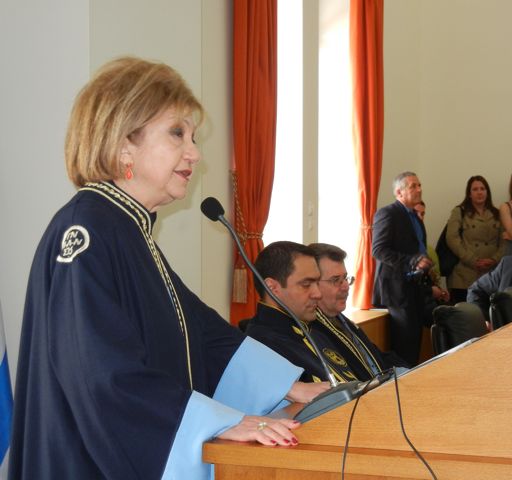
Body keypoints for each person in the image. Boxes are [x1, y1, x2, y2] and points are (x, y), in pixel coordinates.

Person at [8, 57, 328, 480]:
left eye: (192, 137)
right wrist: (219, 422)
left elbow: (199, 331)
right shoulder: (87, 229)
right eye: (178, 133)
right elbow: (99, 373)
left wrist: (288, 387)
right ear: (123, 143)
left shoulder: (128, 228)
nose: (195, 153)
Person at [246, 241, 382, 382]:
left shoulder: (311, 332)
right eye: (306, 285)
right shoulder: (261, 347)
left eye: (316, 283)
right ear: (272, 288)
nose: (317, 294)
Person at [372, 172, 445, 366]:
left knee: (415, 346)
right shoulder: (388, 213)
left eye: (419, 185)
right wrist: (412, 261)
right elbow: (379, 250)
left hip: (416, 288)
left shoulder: (415, 217)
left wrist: (423, 264)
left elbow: (416, 249)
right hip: (397, 291)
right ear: (399, 192)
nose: (419, 189)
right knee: (405, 349)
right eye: (413, 186)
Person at [308, 243, 409, 378]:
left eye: (345, 278)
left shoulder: (340, 318)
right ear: (313, 285)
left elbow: (376, 357)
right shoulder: (312, 332)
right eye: (335, 280)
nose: (346, 286)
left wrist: (410, 371)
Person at [445, 175, 505, 304]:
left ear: (487, 192)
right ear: (469, 194)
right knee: (465, 313)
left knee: (489, 314)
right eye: (475, 189)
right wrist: (472, 260)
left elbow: (504, 242)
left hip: (490, 273)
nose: (479, 192)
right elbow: (452, 238)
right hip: (464, 275)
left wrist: (494, 259)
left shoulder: (497, 213)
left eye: (482, 189)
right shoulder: (459, 211)